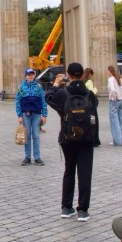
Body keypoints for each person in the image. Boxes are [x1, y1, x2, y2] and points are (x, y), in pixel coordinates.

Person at [45, 62, 100, 222]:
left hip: (67, 138)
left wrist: (55, 84)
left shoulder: (63, 93)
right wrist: (94, 139)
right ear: (82, 75)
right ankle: (83, 210)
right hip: (86, 139)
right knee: (85, 174)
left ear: (68, 75)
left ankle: (66, 207)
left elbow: (48, 97)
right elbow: (94, 117)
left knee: (69, 170)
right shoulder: (89, 94)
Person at [15, 68, 47, 165]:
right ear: (25, 76)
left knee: (36, 135)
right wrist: (19, 115)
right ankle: (27, 157)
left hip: (37, 114)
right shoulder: (21, 87)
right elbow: (17, 102)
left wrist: (44, 115)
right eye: (29, 74)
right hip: (25, 114)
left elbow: (43, 101)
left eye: (32, 74)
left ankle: (37, 157)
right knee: (27, 135)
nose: (31, 76)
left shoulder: (38, 86)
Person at [106, 65, 122, 146]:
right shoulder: (119, 79)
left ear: (109, 71)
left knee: (114, 121)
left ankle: (117, 141)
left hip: (114, 101)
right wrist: (121, 96)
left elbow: (112, 89)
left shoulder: (110, 79)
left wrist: (114, 97)